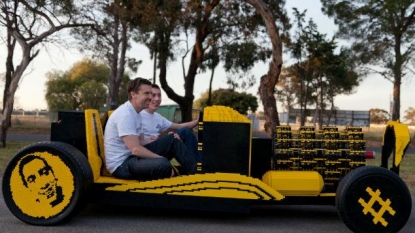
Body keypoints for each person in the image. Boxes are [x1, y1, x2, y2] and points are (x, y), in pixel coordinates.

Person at [104, 77, 196, 181]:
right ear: (133, 94)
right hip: (121, 165)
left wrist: (162, 140)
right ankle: (182, 178)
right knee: (163, 164)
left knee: (172, 140)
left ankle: (194, 172)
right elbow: (136, 150)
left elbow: (141, 141)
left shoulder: (137, 113)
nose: (150, 97)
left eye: (150, 94)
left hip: (132, 158)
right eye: (146, 93)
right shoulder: (126, 115)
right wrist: (159, 157)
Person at [140, 84, 200, 162]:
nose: (157, 99)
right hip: (145, 153)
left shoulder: (158, 117)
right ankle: (194, 167)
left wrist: (198, 121)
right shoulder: (138, 115)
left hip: (159, 149)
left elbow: (179, 126)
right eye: (153, 95)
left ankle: (199, 163)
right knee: (172, 138)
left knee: (183, 132)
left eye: (159, 95)